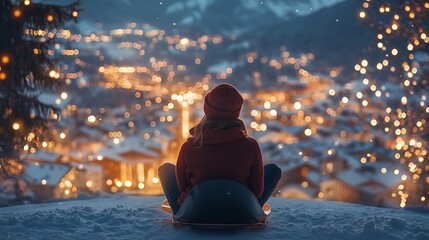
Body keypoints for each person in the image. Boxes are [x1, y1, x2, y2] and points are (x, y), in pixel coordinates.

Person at [158, 83, 281, 214]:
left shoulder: (189, 147)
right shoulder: (251, 146)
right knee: (273, 170)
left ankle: (181, 212)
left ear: (207, 109)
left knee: (166, 170)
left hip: (194, 213)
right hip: (241, 212)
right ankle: (251, 211)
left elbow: (182, 188)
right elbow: (257, 191)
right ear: (236, 113)